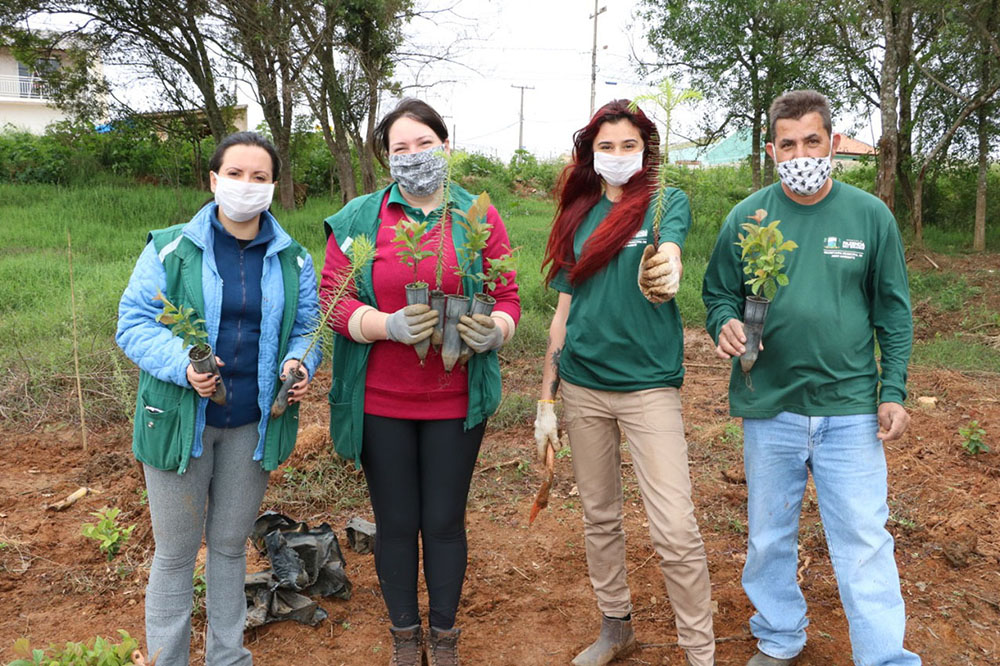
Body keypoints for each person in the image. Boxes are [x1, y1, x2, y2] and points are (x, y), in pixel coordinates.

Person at [702, 90, 919, 666]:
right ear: (773, 150)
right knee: (769, 537)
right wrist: (724, 322)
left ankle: (884, 658)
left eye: (812, 141)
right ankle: (779, 638)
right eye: (789, 144)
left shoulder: (869, 216)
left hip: (848, 407)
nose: (802, 153)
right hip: (769, 403)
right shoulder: (748, 218)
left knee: (864, 542)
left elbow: (892, 311)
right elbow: (719, 292)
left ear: (832, 143)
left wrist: (892, 389)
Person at [321, 98, 520, 666]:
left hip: (455, 400)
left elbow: (508, 296)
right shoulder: (361, 218)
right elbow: (334, 302)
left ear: (446, 147)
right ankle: (405, 639)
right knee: (397, 522)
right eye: (399, 149)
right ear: (386, 159)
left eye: (423, 144)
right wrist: (385, 324)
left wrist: (496, 331)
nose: (413, 158)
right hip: (381, 400)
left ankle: (445, 637)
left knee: (443, 521)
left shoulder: (477, 216)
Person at [116, 131, 320, 666]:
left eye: (259, 177)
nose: (246, 186)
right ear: (214, 180)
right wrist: (184, 367)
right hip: (181, 422)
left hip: (252, 423)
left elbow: (307, 326)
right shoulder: (170, 248)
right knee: (177, 554)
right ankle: (169, 659)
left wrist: (300, 363)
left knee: (229, 549)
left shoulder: (292, 259)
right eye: (235, 174)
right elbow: (133, 323)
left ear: (274, 186)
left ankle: (228, 657)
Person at [534, 99, 716, 666]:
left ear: (646, 150)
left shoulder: (665, 202)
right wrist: (546, 397)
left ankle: (699, 652)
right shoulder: (578, 214)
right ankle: (617, 628)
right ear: (591, 152)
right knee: (600, 516)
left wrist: (671, 264)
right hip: (584, 386)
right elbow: (564, 312)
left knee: (675, 529)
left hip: (649, 388)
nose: (617, 156)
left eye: (628, 145)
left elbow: (672, 249)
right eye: (605, 146)